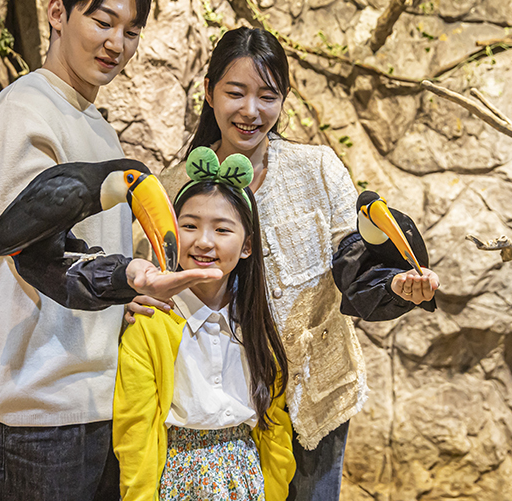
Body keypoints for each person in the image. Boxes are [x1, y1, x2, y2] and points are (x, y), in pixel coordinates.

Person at [134, 27, 440, 501]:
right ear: (210, 91)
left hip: (317, 395)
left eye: (267, 95)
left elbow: (354, 259)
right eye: (235, 92)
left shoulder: (316, 168)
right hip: (226, 408)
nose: (250, 111)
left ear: (284, 100)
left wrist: (396, 284)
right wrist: (135, 298)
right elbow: (151, 278)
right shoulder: (177, 185)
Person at [0, 0, 220, 501]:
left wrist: (128, 297)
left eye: (130, 32)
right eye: (102, 22)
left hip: (97, 401)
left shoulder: (97, 127)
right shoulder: (24, 112)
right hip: (32, 414)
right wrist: (130, 277)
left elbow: (94, 259)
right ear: (57, 13)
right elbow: (36, 256)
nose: (116, 44)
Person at [113, 147, 295, 501]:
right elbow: (134, 430)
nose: (204, 241)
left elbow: (275, 427)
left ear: (247, 246)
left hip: (246, 481)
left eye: (223, 229)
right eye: (190, 226)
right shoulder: (151, 324)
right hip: (179, 481)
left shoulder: (258, 329)